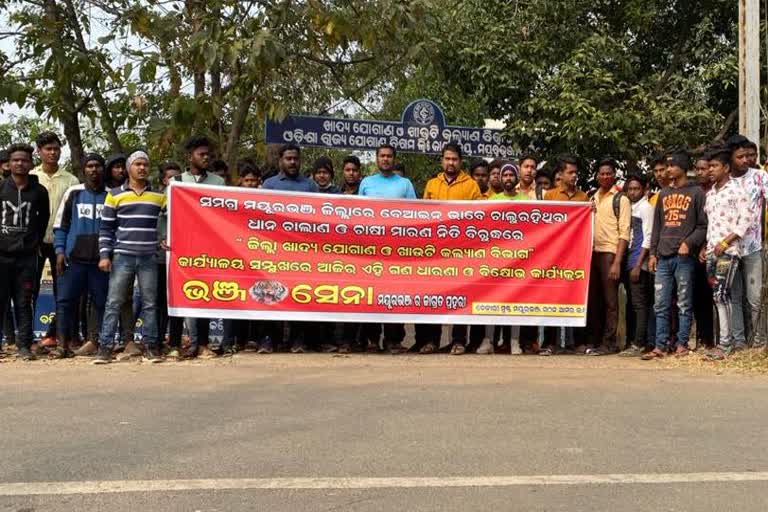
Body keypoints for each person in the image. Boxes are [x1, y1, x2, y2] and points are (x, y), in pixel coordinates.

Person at [94, 151, 166, 364]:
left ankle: (151, 347)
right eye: (138, 164)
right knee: (114, 302)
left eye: (145, 164)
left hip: (149, 258)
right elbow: (106, 228)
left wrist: (164, 238)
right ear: (128, 168)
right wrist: (104, 255)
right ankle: (105, 348)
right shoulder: (114, 195)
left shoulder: (161, 197)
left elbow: (173, 221)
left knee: (150, 304)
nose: (142, 168)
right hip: (122, 256)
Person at [643, 152, 707, 359]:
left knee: (684, 302)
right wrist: (652, 254)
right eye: (667, 165)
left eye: (672, 165)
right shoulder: (663, 194)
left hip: (684, 258)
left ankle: (682, 344)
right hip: (663, 256)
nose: (668, 169)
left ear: (682, 167)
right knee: (660, 303)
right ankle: (660, 346)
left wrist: (689, 242)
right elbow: (657, 226)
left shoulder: (697, 192)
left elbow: (703, 225)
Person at [420, 143, 482, 355]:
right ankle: (431, 341)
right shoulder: (431, 185)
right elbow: (423, 217)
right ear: (441, 160)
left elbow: (479, 217)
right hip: (435, 252)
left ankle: (458, 341)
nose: (450, 163)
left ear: (460, 162)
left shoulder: (471, 185)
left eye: (454, 159)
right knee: (434, 295)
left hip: (461, 252)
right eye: (447, 159)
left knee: (460, 297)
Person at [51, 153, 109, 359]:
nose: (94, 170)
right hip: (73, 260)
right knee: (65, 301)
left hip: (101, 262)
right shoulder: (73, 192)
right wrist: (59, 251)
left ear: (104, 169)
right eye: (90, 166)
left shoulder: (112, 195)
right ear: (84, 170)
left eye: (98, 166)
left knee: (100, 302)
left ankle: (94, 341)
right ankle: (62, 345)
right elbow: (61, 225)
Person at [358, 144, 415, 353]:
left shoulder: (405, 184)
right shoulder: (366, 183)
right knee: (372, 294)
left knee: (395, 294)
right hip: (371, 250)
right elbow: (356, 214)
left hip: (397, 252)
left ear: (394, 159)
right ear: (376, 158)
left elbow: (415, 215)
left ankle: (393, 340)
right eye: (382, 156)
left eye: (389, 156)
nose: (385, 159)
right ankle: (372, 339)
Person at [172, 136, 225, 359]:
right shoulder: (176, 181)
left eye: (208, 155)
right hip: (180, 247)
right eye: (201, 154)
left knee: (203, 294)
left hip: (207, 248)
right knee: (178, 296)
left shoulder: (218, 182)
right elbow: (167, 214)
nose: (206, 158)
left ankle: (201, 344)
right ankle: (175, 344)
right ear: (189, 156)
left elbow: (224, 214)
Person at [699, 145, 753, 360]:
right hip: (712, 250)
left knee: (721, 294)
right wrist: (706, 247)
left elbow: (745, 221)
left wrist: (725, 242)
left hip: (729, 251)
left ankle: (726, 344)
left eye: (714, 166)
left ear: (726, 168)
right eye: (709, 166)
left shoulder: (737, 191)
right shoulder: (710, 194)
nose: (710, 170)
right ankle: (728, 342)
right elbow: (711, 224)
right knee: (720, 296)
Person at [262, 144, 318, 353]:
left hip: (302, 251)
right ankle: (269, 339)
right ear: (280, 160)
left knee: (299, 294)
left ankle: (298, 339)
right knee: (271, 294)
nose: (292, 162)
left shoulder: (310, 186)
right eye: (288, 158)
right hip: (274, 250)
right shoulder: (269, 185)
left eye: (295, 158)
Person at [0, 143, 50, 360]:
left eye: (24, 160)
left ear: (31, 164)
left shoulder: (39, 191)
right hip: (1, 255)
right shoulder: (1, 188)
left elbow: (43, 218)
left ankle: (24, 346)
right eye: (15, 160)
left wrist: (34, 242)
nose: (20, 163)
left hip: (27, 257)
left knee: (24, 302)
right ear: (8, 164)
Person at [30, 132, 79, 349]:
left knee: (64, 293)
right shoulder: (31, 176)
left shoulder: (72, 180)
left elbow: (73, 216)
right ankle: (25, 339)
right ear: (39, 151)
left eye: (56, 149)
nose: (52, 152)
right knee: (28, 292)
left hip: (62, 243)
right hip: (33, 243)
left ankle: (57, 335)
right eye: (47, 149)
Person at [541, 155, 590, 356]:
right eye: (570, 172)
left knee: (576, 296)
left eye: (575, 173)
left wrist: (590, 212)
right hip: (554, 256)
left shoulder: (583, 198)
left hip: (576, 257)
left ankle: (577, 342)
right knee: (552, 296)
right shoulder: (550, 196)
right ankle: (550, 342)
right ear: (560, 175)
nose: (574, 176)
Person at [585, 158, 631, 355]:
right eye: (601, 174)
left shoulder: (621, 199)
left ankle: (610, 343)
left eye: (608, 173)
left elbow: (624, 233)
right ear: (597, 176)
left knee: (611, 302)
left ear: (614, 176)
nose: (605, 177)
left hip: (610, 253)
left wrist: (617, 262)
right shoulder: (592, 197)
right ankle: (595, 342)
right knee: (594, 301)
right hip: (592, 253)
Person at [726, 135, 768, 348]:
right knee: (734, 296)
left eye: (747, 156)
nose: (745, 160)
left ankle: (760, 343)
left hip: (753, 246)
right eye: (740, 157)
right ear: (731, 159)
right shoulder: (724, 181)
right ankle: (739, 342)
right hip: (729, 249)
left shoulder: (760, 177)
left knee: (754, 298)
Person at [220, 163, 265, 355]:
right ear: (240, 181)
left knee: (258, 297)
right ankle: (230, 340)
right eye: (247, 180)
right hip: (236, 256)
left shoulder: (269, 201)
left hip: (260, 257)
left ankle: (252, 339)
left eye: (254, 180)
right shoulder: (232, 200)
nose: (250, 183)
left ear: (259, 182)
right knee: (235, 298)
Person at [617, 175, 654, 357]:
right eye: (630, 189)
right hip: (629, 259)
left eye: (636, 189)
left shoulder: (646, 208)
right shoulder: (629, 207)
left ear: (644, 189)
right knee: (631, 304)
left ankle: (639, 343)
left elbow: (648, 237)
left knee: (640, 304)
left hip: (638, 262)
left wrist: (639, 265)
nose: (632, 192)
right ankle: (632, 340)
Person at [692, 154, 715, 349]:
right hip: (694, 252)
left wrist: (706, 245)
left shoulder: (717, 192)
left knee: (716, 298)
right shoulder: (693, 191)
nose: (700, 172)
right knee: (698, 297)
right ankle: (702, 339)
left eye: (704, 168)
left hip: (715, 248)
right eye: (697, 169)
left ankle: (714, 340)